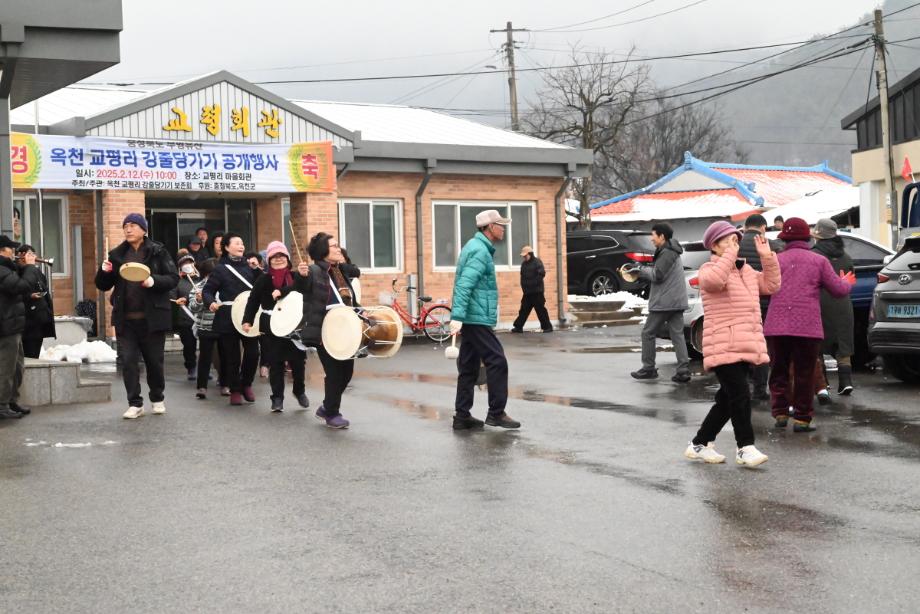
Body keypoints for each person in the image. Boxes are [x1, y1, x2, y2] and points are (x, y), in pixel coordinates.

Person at [684, 221, 780, 467]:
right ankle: (745, 447)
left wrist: (767, 258)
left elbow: (771, 286)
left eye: (736, 240)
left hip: (746, 342)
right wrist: (728, 256)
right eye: (728, 240)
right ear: (714, 246)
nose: (734, 244)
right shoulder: (708, 269)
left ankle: (700, 443)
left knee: (728, 399)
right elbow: (715, 282)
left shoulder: (745, 271)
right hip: (723, 343)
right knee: (740, 395)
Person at [764, 217, 854, 432]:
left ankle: (781, 413)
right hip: (806, 327)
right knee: (804, 373)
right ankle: (802, 419)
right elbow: (838, 290)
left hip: (776, 325)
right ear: (808, 237)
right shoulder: (819, 261)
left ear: (784, 238)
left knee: (779, 371)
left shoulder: (776, 260)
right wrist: (847, 283)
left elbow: (764, 288)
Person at [95, 213, 179, 419]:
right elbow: (102, 285)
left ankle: (157, 398)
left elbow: (173, 278)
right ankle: (135, 403)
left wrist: (154, 281)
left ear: (144, 229)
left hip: (153, 318)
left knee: (154, 362)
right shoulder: (117, 254)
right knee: (129, 361)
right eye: (126, 226)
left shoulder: (158, 251)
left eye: (133, 225)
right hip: (126, 319)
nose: (128, 229)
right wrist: (104, 272)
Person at [449, 209, 520, 430]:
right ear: (489, 227)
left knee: (469, 366)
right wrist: (457, 316)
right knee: (497, 361)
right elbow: (464, 284)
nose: (503, 228)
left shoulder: (476, 247)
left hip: (472, 316)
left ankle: (462, 416)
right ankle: (496, 413)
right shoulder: (480, 251)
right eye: (500, 225)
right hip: (475, 317)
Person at [292, 232, 357, 429]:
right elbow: (302, 287)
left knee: (347, 372)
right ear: (323, 251)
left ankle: (326, 408)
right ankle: (333, 413)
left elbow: (349, 295)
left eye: (338, 245)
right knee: (335, 372)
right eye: (334, 246)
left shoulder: (339, 271)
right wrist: (301, 276)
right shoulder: (313, 270)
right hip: (324, 329)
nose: (339, 249)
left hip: (345, 328)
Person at [242, 241, 309, 412]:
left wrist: (302, 276)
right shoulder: (263, 279)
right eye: (274, 257)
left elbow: (303, 290)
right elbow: (253, 300)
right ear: (269, 260)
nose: (278, 259)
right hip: (271, 325)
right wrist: (247, 320)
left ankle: (299, 391)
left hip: (294, 325)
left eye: (281, 256)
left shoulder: (295, 276)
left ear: (287, 258)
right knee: (276, 363)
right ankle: (277, 397)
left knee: (298, 361)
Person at [203, 233, 260, 406]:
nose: (241, 246)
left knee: (253, 353)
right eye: (236, 243)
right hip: (228, 315)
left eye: (242, 243)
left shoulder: (251, 266)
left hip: (249, 314)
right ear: (227, 247)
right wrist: (211, 302)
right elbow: (208, 290)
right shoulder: (220, 269)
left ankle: (247, 384)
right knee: (231, 356)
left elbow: (263, 285)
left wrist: (257, 269)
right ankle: (235, 389)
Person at [630, 222, 691, 383]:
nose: (651, 239)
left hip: (665, 301)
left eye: (653, 235)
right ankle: (683, 370)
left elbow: (658, 275)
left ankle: (648, 368)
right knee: (677, 334)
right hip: (676, 301)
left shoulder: (667, 252)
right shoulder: (672, 250)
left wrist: (639, 270)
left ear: (662, 236)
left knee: (648, 333)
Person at [737, 214, 783, 400]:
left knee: (742, 344)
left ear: (746, 227)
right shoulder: (769, 245)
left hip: (741, 302)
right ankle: (760, 389)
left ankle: (744, 383)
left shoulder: (736, 245)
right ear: (763, 227)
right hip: (766, 303)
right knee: (760, 346)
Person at [811, 218, 856, 396]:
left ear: (818, 236)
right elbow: (852, 280)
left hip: (820, 303)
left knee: (817, 344)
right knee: (843, 344)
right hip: (843, 304)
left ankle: (824, 383)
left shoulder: (814, 255)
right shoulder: (846, 256)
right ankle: (846, 382)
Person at [0, 235, 42, 419]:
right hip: (5, 326)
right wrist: (31, 267)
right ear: (2, 250)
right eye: (11, 248)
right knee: (6, 368)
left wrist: (25, 267)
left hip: (14, 325)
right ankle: (2, 404)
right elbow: (20, 286)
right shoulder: (1, 270)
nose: (15, 252)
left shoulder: (8, 268)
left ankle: (11, 400)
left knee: (17, 366)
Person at [16, 244, 56, 358]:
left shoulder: (35, 271)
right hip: (26, 323)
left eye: (33, 254)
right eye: (28, 254)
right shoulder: (18, 271)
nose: (32, 257)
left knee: (34, 355)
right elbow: (22, 287)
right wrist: (29, 295)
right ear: (21, 256)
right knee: (26, 357)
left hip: (38, 321)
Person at [189, 258, 221, 399]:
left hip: (223, 326)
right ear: (204, 274)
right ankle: (202, 387)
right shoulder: (198, 287)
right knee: (204, 358)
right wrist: (199, 300)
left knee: (225, 357)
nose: (211, 277)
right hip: (205, 327)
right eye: (209, 274)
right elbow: (193, 308)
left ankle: (225, 383)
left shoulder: (225, 285)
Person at [511, 245, 553, 333]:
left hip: (537, 292)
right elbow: (522, 276)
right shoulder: (524, 264)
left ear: (530, 254)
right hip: (527, 292)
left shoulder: (537, 262)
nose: (524, 257)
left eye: (525, 256)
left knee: (540, 310)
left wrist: (533, 284)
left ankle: (547, 327)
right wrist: (524, 287)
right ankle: (518, 327)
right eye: (523, 256)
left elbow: (541, 274)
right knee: (523, 310)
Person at [173, 253, 199, 380]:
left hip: (202, 318)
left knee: (206, 346)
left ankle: (205, 369)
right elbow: (172, 296)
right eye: (184, 264)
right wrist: (178, 299)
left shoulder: (201, 279)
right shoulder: (178, 282)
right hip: (186, 319)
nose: (188, 265)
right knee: (189, 346)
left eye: (190, 262)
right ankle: (191, 367)